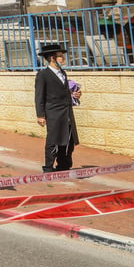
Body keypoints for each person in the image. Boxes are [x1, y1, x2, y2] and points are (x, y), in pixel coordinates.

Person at [34, 42, 80, 172]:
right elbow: (39, 96)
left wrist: (74, 94)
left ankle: (64, 166)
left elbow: (64, 92)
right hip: (54, 112)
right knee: (54, 140)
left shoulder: (63, 73)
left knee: (68, 140)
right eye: (60, 56)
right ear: (52, 58)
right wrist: (40, 115)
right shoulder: (43, 75)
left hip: (66, 112)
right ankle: (48, 166)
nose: (63, 59)